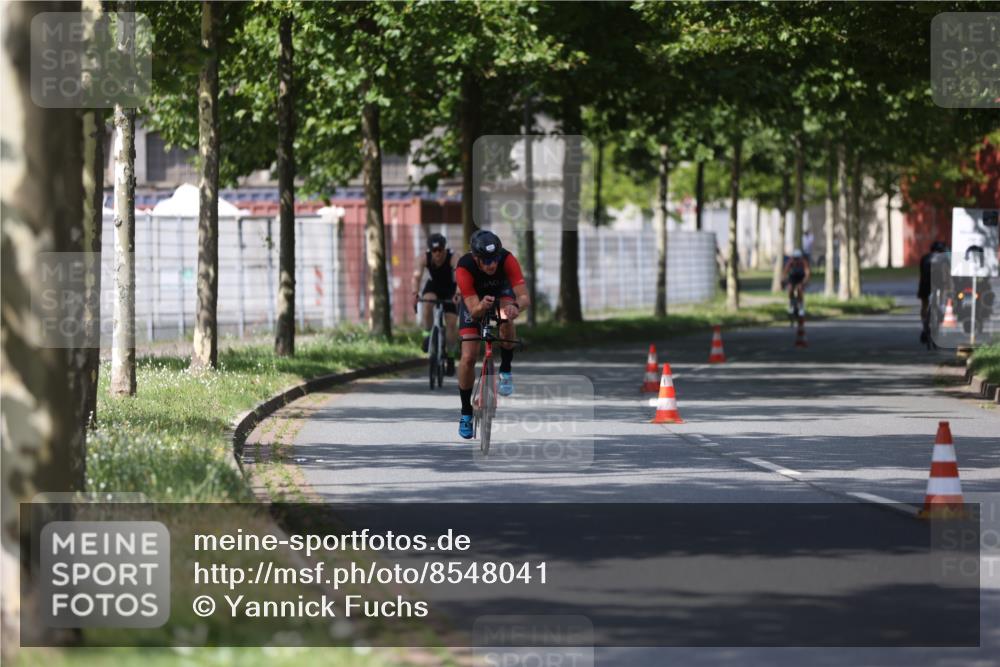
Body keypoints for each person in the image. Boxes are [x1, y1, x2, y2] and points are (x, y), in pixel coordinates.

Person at [455, 230, 530, 440]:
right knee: (468, 357)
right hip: (474, 303)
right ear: (476, 259)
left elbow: (524, 297)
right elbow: (473, 310)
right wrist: (480, 306)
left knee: (507, 315)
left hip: (502, 294)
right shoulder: (464, 267)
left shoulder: (507, 259)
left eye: (494, 259)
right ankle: (466, 413)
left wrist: (516, 306)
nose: (492, 265)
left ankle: (505, 370)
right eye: (486, 261)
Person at [412, 233, 458, 375]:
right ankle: (427, 335)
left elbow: (460, 277)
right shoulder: (424, 258)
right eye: (434, 251)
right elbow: (417, 276)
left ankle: (450, 357)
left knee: (451, 324)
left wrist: (458, 293)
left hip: (451, 288)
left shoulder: (453, 257)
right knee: (427, 304)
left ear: (445, 248)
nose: (437, 254)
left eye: (440, 250)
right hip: (434, 287)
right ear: (430, 251)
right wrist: (415, 294)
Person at [918, 240, 948, 344]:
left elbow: (921, 273)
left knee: (924, 305)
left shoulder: (924, 257)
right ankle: (942, 309)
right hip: (939, 285)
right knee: (943, 297)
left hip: (925, 285)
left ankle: (924, 326)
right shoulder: (944, 258)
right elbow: (946, 274)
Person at [781, 249, 811, 317]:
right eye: (795, 258)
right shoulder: (790, 262)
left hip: (801, 278)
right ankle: (791, 305)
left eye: (797, 258)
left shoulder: (804, 262)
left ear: (800, 258)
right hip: (793, 278)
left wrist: (805, 281)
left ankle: (801, 307)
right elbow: (785, 271)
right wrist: (783, 279)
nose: (796, 260)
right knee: (790, 289)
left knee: (800, 289)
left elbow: (807, 272)